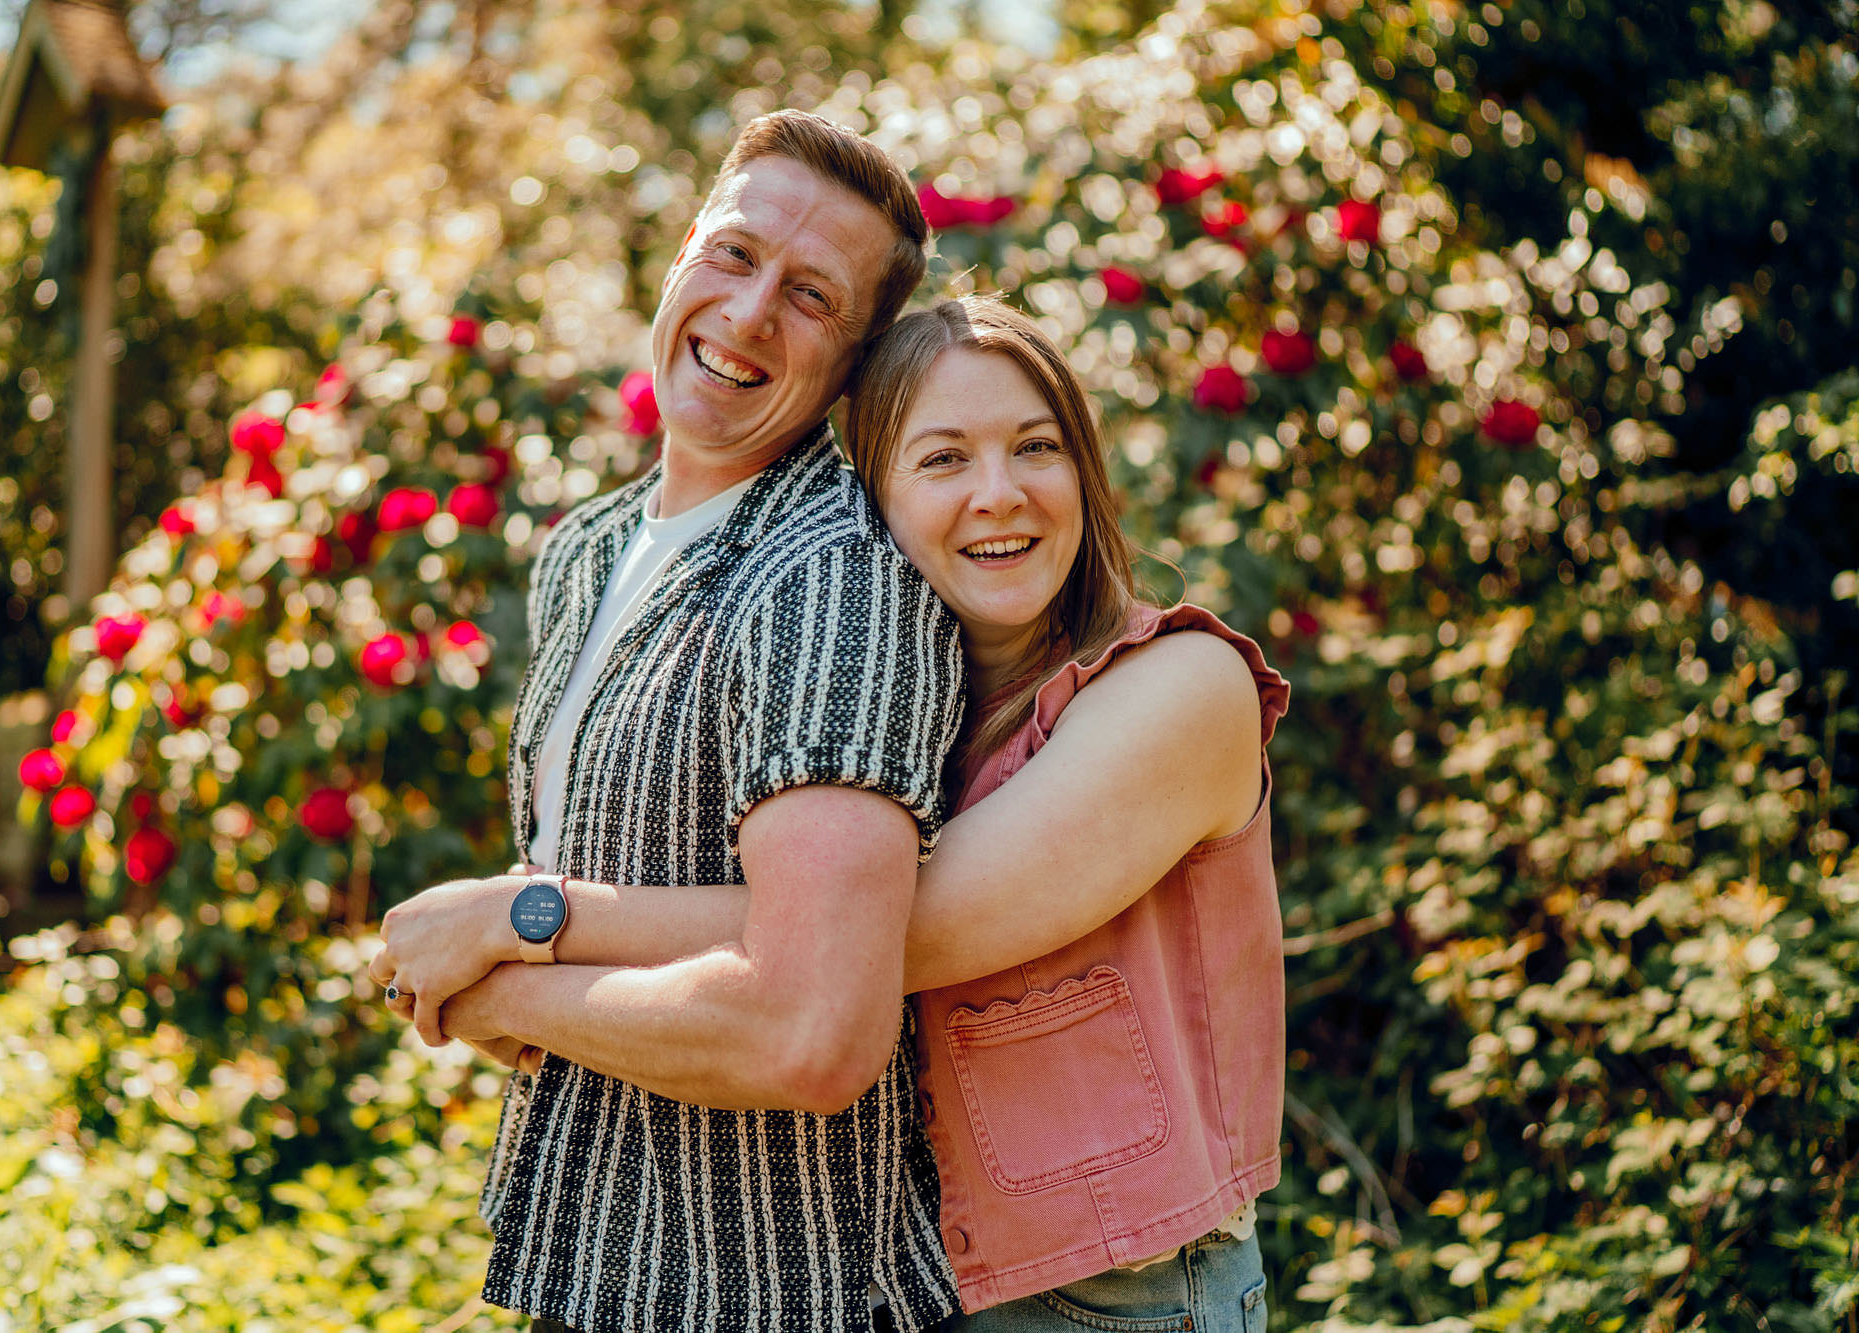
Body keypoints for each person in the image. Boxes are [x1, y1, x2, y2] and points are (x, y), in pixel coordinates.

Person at [389, 295, 1292, 1330]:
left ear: (1083, 471)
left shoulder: (1182, 688)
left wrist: (512, 943)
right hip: (903, 1284)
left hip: (1115, 1299)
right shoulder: (883, 722)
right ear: (870, 503)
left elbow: (856, 947)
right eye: (942, 459)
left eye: (1035, 447)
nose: (998, 493)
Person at [369, 111, 965, 1333]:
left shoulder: (830, 581)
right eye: (734, 254)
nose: (747, 312)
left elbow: (811, 1028)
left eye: (809, 296)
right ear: (685, 249)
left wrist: (493, 978)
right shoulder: (587, 548)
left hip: (770, 1294)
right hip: (584, 1262)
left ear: (852, 366)